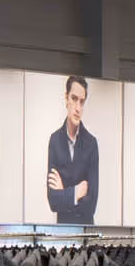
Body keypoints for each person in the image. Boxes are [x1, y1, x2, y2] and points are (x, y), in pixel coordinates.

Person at [43, 75, 100, 225]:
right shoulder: (55, 140)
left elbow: (91, 206)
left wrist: (64, 192)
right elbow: (53, 200)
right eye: (74, 99)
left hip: (86, 231)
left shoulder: (91, 144)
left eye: (82, 102)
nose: (78, 108)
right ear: (66, 98)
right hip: (63, 231)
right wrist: (77, 192)